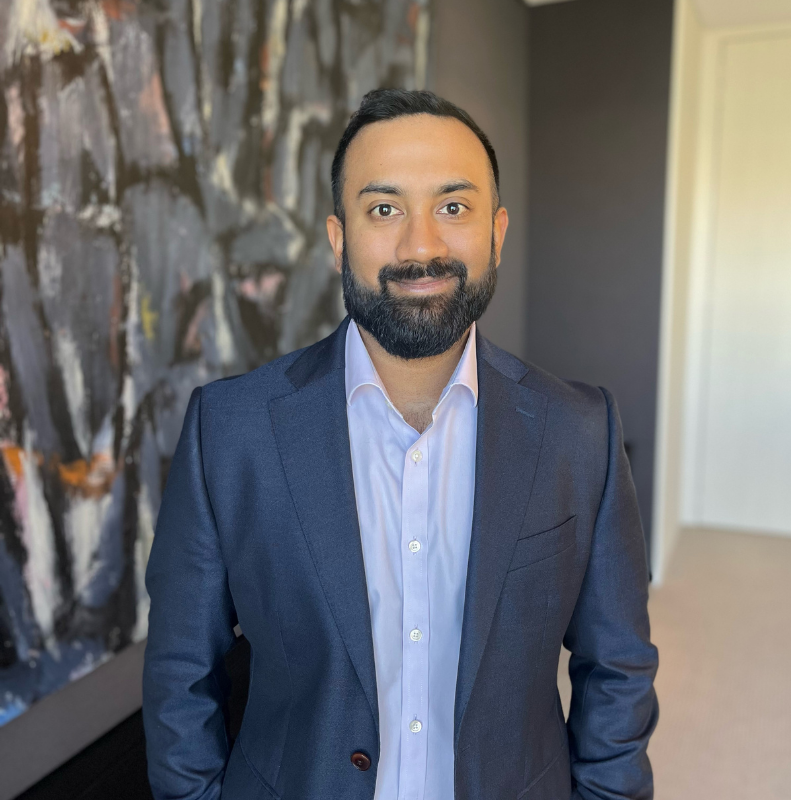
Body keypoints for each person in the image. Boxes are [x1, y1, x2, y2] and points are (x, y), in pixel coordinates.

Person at [142, 89, 658, 800]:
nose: (421, 246)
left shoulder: (580, 430)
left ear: (497, 232)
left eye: (454, 207)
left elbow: (618, 668)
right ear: (338, 238)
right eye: (384, 209)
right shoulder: (229, 430)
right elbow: (180, 674)